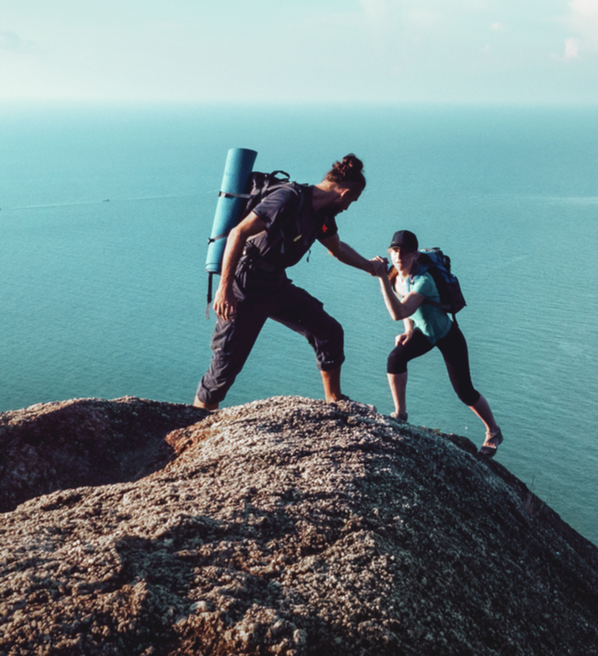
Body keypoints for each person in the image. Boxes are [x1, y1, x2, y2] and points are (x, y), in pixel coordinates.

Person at [194, 154, 383, 411]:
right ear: (345, 192)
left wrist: (370, 267)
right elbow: (238, 233)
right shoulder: (288, 199)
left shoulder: (323, 216)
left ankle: (334, 399)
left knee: (329, 331)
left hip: (275, 284)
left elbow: (336, 249)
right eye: (352, 200)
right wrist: (224, 288)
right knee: (224, 367)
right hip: (246, 285)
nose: (349, 206)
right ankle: (193, 423)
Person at [375, 229, 502, 457]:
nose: (398, 257)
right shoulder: (396, 276)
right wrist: (408, 330)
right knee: (395, 359)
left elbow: (399, 310)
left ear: (414, 255)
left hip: (446, 334)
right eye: (394, 251)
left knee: (464, 391)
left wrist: (381, 279)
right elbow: (405, 311)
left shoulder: (424, 281)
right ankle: (400, 414)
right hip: (424, 334)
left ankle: (493, 431)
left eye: (403, 253)